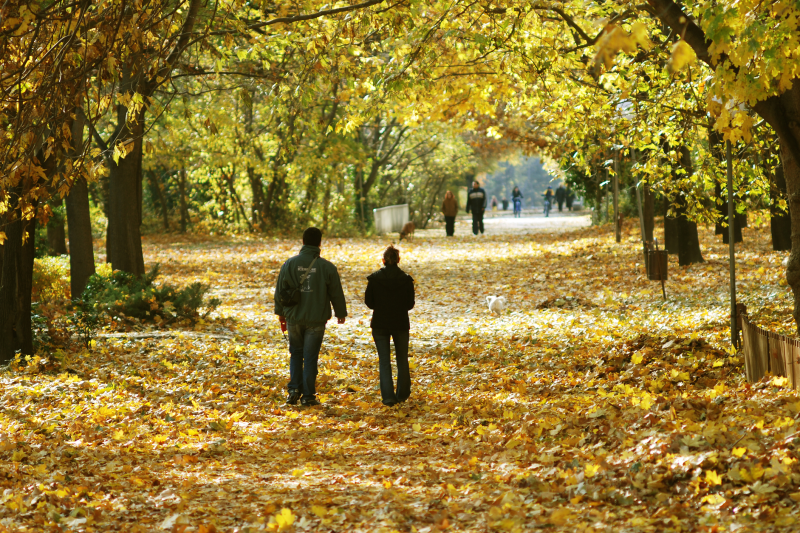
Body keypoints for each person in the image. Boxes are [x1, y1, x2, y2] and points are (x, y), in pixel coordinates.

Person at [274, 227, 347, 407]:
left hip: (294, 318)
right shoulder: (328, 267)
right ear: (319, 243)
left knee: (296, 354)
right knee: (310, 356)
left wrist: (280, 314)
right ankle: (308, 396)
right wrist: (340, 313)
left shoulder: (289, 264)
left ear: (303, 241)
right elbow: (336, 292)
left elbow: (279, 292)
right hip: (316, 319)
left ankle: (293, 390)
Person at [365, 245, 415, 406]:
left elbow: (369, 302)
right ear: (398, 260)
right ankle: (402, 393)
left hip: (380, 323)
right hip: (400, 323)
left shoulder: (374, 279)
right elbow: (410, 304)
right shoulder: (406, 280)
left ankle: (388, 396)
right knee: (402, 358)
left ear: (383, 260)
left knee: (384, 360)